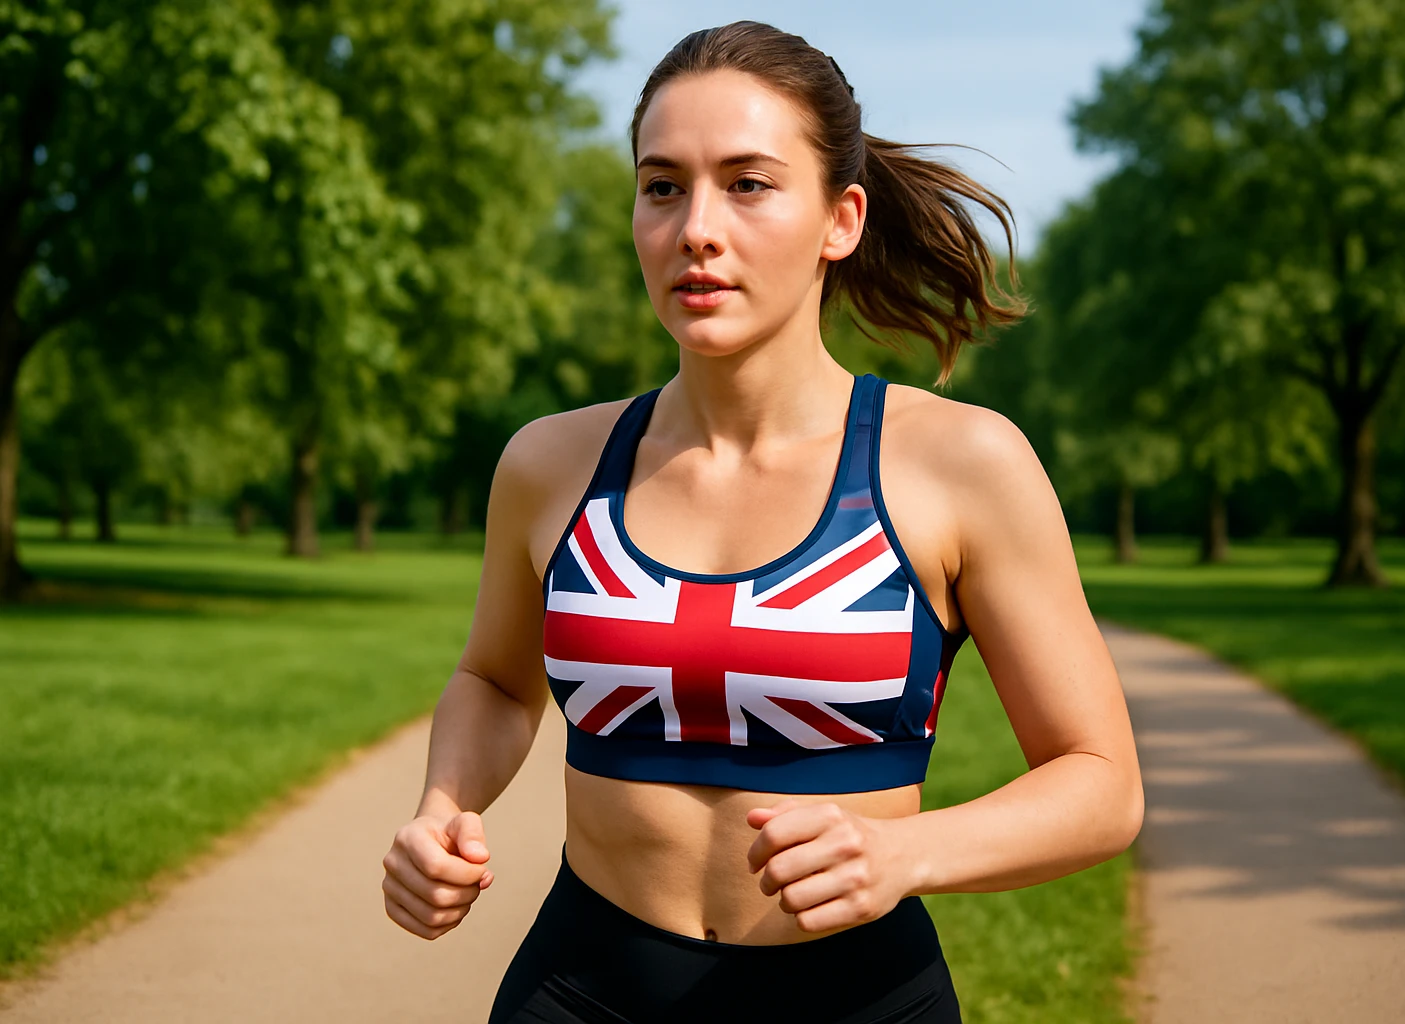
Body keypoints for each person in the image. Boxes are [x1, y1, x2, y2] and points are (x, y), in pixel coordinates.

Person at [382, 20, 1143, 1024]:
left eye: (748, 183)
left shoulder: (962, 463)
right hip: (582, 989)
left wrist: (906, 853)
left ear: (841, 218)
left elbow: (1101, 784)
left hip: (858, 996)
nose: (697, 227)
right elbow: (492, 678)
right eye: (663, 186)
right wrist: (446, 806)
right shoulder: (549, 464)